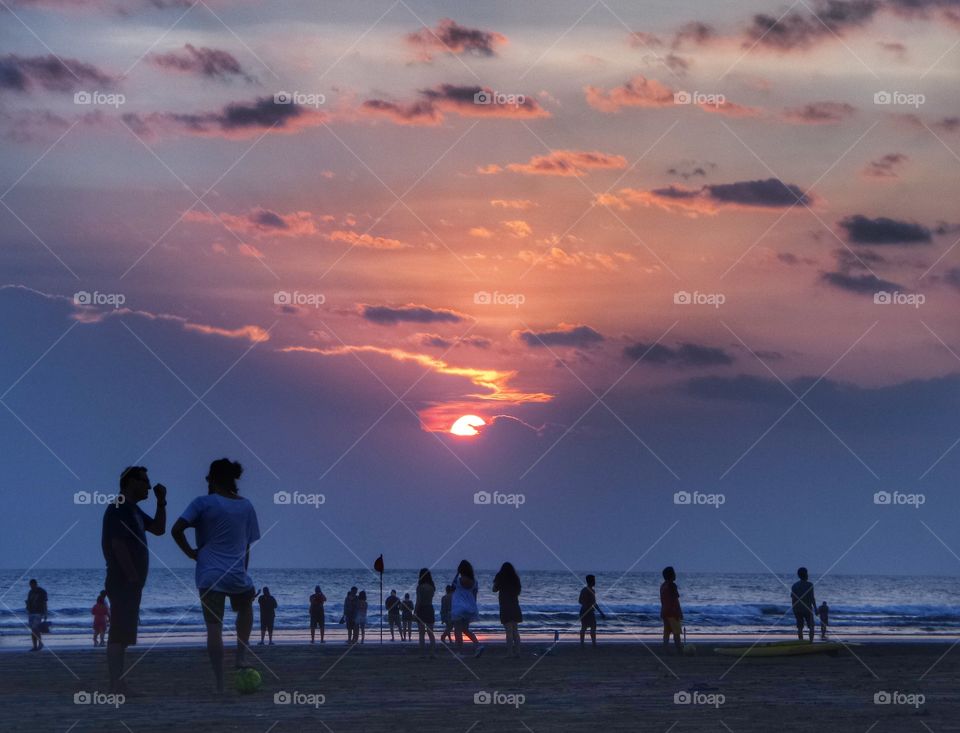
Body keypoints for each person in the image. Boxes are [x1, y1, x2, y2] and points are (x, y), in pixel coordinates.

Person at [171, 458, 260, 694]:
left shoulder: (202, 503)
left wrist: (191, 553)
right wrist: (243, 571)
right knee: (246, 607)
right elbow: (247, 546)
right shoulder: (246, 506)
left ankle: (220, 683)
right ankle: (241, 656)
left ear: (212, 479)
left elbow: (176, 529)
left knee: (214, 629)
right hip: (236, 574)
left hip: (209, 574)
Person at [102, 466, 166, 693]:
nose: (149, 486)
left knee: (124, 633)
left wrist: (161, 502)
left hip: (131, 583)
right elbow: (117, 543)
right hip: (123, 581)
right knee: (119, 633)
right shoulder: (119, 508)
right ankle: (116, 683)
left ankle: (119, 681)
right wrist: (131, 575)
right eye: (145, 481)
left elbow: (159, 529)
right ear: (131, 482)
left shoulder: (134, 511)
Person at [451, 560, 484, 657]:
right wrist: (473, 607)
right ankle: (478, 645)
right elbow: (474, 597)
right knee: (465, 629)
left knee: (457, 630)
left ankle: (459, 652)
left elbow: (452, 586)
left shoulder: (458, 580)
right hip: (469, 607)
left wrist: (457, 573)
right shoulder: (474, 582)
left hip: (458, 607)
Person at [492, 562, 522, 658]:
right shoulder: (515, 579)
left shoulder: (501, 577)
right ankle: (517, 652)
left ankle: (509, 653)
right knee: (515, 631)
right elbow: (518, 591)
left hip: (505, 606)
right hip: (515, 605)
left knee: (508, 631)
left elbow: (494, 589)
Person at [660, 566, 683, 654]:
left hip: (665, 612)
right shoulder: (672, 586)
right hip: (673, 612)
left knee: (667, 632)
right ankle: (679, 649)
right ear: (672, 575)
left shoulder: (662, 586)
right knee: (676, 632)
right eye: (674, 573)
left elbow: (663, 600)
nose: (675, 575)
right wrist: (679, 612)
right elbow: (675, 600)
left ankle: (665, 649)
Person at [791, 567, 817, 643]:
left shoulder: (794, 585)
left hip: (797, 608)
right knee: (811, 626)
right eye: (807, 573)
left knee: (800, 627)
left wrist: (794, 608)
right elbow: (812, 598)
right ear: (805, 574)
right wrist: (815, 608)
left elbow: (793, 598)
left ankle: (801, 642)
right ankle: (810, 642)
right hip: (807, 608)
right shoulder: (809, 585)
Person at [414, 568, 437, 657]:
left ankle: (422, 653)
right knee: (431, 633)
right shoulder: (432, 587)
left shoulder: (420, 587)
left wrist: (415, 611)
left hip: (422, 609)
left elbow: (418, 600)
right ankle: (432, 653)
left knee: (421, 633)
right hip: (430, 608)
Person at [578, 574, 605, 646]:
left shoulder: (583, 590)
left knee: (583, 627)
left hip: (582, 610)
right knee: (593, 626)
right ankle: (593, 643)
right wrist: (601, 612)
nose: (595, 582)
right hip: (589, 611)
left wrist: (585, 604)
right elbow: (594, 603)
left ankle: (582, 643)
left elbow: (579, 601)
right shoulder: (591, 590)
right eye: (594, 580)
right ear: (591, 581)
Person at [26, 579, 48, 651]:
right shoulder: (30, 592)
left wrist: (45, 613)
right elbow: (28, 602)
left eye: (32, 585)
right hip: (31, 612)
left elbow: (45, 603)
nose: (31, 587)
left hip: (39, 612)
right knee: (33, 630)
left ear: (35, 584)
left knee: (35, 628)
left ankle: (40, 643)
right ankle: (35, 646)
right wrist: (28, 609)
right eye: (30, 585)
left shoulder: (42, 591)